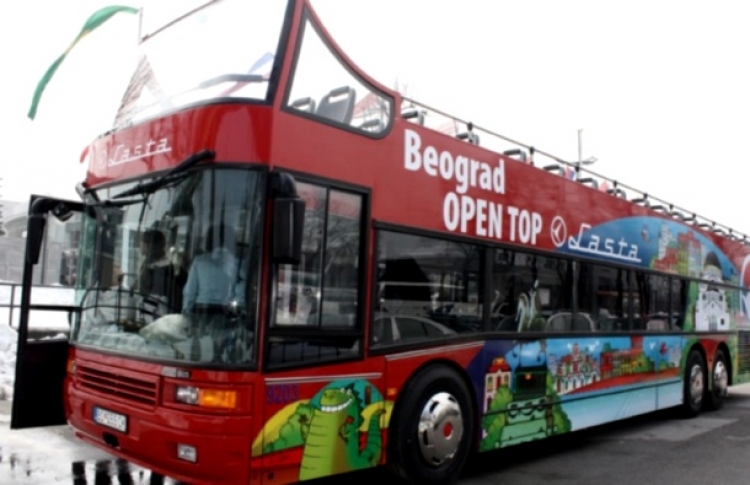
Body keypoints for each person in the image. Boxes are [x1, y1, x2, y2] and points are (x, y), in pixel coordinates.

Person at [182, 224, 245, 314]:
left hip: (201, 311)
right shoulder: (238, 264)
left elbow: (190, 292)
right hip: (226, 312)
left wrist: (186, 312)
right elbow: (240, 294)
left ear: (208, 241)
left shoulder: (199, 261)